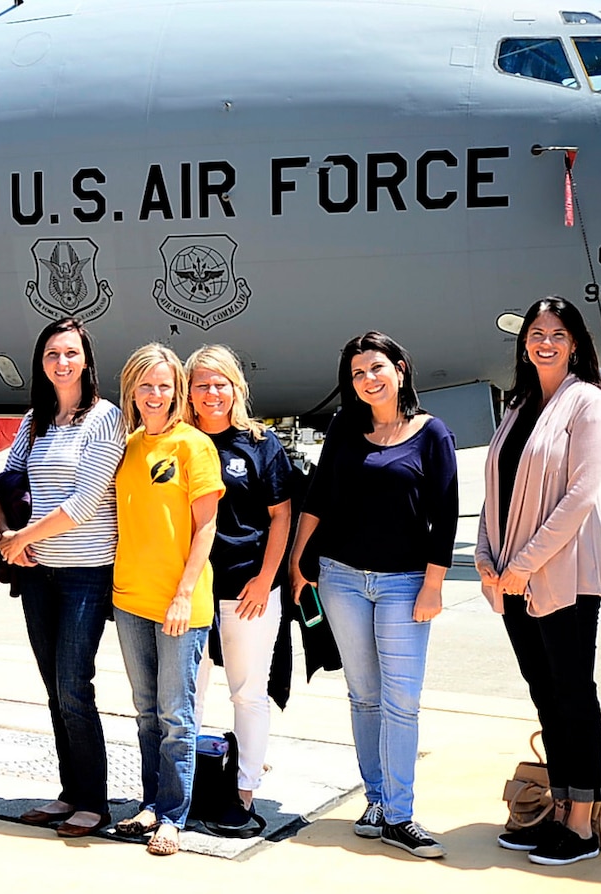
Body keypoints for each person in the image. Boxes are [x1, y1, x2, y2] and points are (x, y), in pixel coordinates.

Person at [287, 330, 457, 860]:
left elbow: (446, 516)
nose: (368, 380)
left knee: (401, 702)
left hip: (405, 584)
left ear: (401, 368)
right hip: (341, 579)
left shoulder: (433, 435)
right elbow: (318, 496)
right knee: (363, 695)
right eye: (358, 374)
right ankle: (378, 801)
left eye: (376, 368)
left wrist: (433, 584)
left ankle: (401, 815)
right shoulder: (344, 425)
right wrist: (298, 560)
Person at [473, 298, 601, 867]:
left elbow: (580, 496)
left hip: (563, 576)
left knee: (574, 694)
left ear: (576, 341)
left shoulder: (588, 403)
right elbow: (495, 489)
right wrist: (488, 555)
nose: (546, 342)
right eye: (537, 333)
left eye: (558, 333)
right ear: (524, 342)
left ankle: (583, 823)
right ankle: (558, 806)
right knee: (545, 693)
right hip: (514, 577)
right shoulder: (520, 404)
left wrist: (525, 563)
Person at [0, 317, 124, 838]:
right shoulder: (35, 419)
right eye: (51, 354)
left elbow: (86, 502)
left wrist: (20, 540)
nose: (61, 363)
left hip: (85, 575)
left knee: (74, 685)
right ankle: (70, 792)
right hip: (38, 573)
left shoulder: (106, 419)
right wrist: (11, 536)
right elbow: (8, 482)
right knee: (53, 688)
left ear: (86, 360)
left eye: (70, 353)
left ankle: (94, 801)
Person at [107, 343, 222, 858]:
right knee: (145, 710)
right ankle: (151, 804)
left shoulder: (193, 446)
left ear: (177, 389)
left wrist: (181, 594)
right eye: (145, 385)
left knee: (177, 714)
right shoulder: (129, 445)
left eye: (164, 386)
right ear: (132, 389)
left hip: (180, 603)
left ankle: (174, 815)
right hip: (129, 598)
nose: (155, 395)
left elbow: (206, 527)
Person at [187, 344, 292, 827]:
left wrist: (265, 579)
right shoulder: (179, 442)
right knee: (187, 696)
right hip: (189, 593)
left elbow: (280, 516)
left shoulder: (260, 444)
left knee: (248, 693)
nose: (212, 393)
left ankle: (244, 792)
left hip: (247, 590)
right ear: (188, 391)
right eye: (202, 384)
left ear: (236, 388)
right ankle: (181, 788)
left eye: (220, 383)